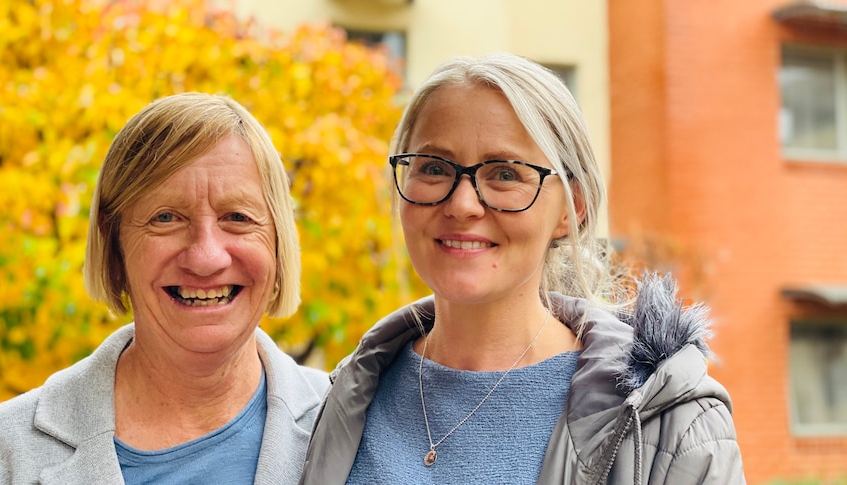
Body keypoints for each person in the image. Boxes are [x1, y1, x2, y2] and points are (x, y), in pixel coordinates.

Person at [299, 53, 745, 484]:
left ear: (572, 209)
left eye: (505, 174)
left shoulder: (671, 425)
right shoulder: (338, 402)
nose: (462, 204)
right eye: (434, 167)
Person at [0, 93, 329, 484]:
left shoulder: (360, 429)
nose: (205, 257)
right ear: (114, 244)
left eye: (237, 217)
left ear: (279, 239)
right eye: (165, 218)